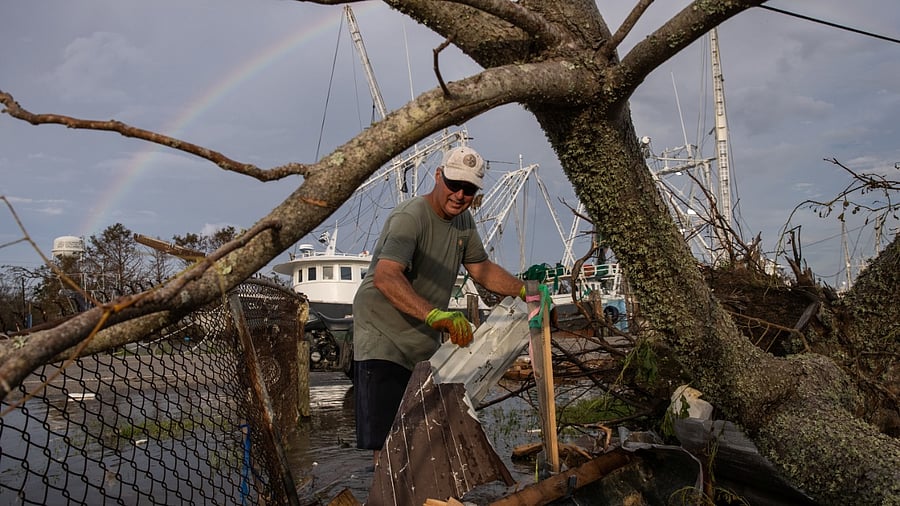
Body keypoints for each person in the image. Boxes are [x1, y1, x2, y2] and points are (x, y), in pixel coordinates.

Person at [352, 145, 526, 463]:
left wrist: (526, 289)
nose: (460, 195)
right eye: (454, 184)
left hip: (420, 344)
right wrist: (437, 316)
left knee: (422, 435)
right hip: (382, 339)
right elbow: (386, 278)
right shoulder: (410, 217)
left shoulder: (464, 223)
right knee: (388, 443)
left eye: (469, 189)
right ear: (437, 176)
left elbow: (482, 269)